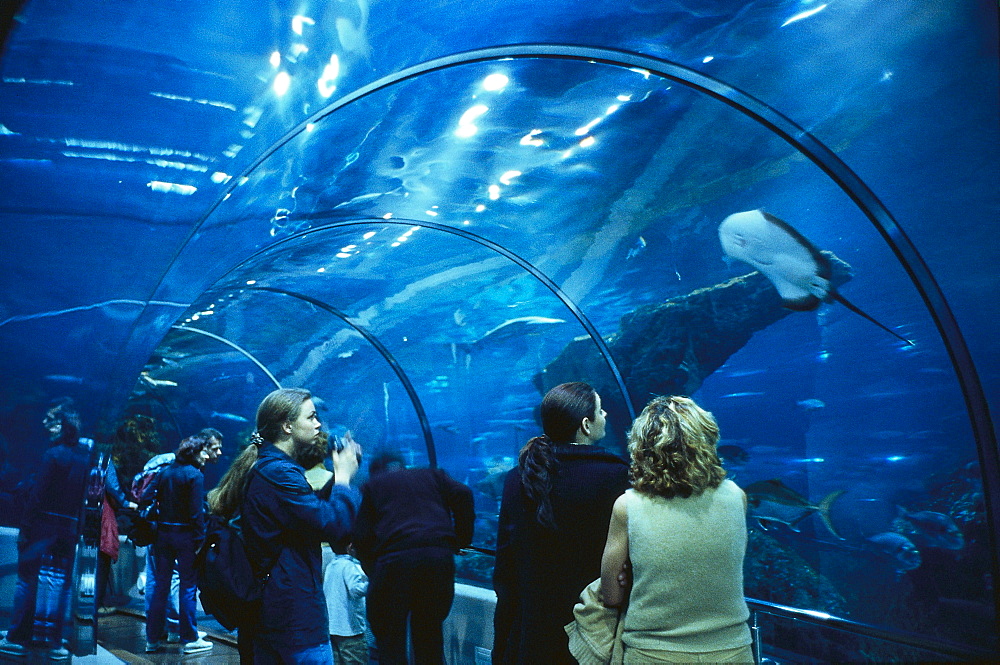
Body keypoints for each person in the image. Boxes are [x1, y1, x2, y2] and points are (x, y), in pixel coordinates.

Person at [600, 396, 752, 663]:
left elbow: (611, 594)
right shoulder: (736, 496)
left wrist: (638, 576)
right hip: (733, 650)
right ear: (707, 438)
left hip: (653, 653)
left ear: (643, 446)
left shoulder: (628, 506)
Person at [492, 382, 630, 665]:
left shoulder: (516, 478)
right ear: (586, 425)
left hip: (532, 628)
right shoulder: (615, 476)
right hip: (590, 628)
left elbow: (506, 566)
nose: (606, 414)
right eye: (600, 410)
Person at [242, 388, 362, 664]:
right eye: (311, 417)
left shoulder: (270, 468)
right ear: (287, 426)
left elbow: (305, 517)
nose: (318, 424)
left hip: (275, 608)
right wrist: (343, 479)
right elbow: (332, 527)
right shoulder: (279, 472)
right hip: (293, 613)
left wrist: (335, 479)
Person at [353, 451, 474, 665]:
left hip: (394, 564)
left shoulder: (375, 485)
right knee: (429, 636)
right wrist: (459, 540)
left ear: (375, 472)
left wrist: (374, 570)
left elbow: (362, 537)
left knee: (390, 642)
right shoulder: (434, 475)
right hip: (438, 560)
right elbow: (463, 493)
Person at [0, 398, 95, 661]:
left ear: (62, 425)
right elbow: (84, 499)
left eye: (51, 419)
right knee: (60, 585)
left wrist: (25, 529)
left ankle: (16, 638)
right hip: (68, 528)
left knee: (27, 580)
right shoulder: (84, 458)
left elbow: (37, 497)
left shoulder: (52, 455)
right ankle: (53, 641)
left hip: (42, 526)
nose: (45, 423)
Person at [142, 434, 214, 655]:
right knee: (187, 587)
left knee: (161, 588)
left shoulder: (166, 472)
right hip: (185, 537)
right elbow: (196, 514)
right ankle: (189, 637)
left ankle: (152, 639)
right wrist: (201, 541)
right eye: (203, 451)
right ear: (194, 452)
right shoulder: (194, 475)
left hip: (163, 535)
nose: (206, 455)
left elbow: (149, 498)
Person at [322, 544, 369, 665]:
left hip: (332, 628)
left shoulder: (331, 565)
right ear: (350, 547)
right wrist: (372, 579)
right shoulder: (351, 565)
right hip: (351, 630)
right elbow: (356, 589)